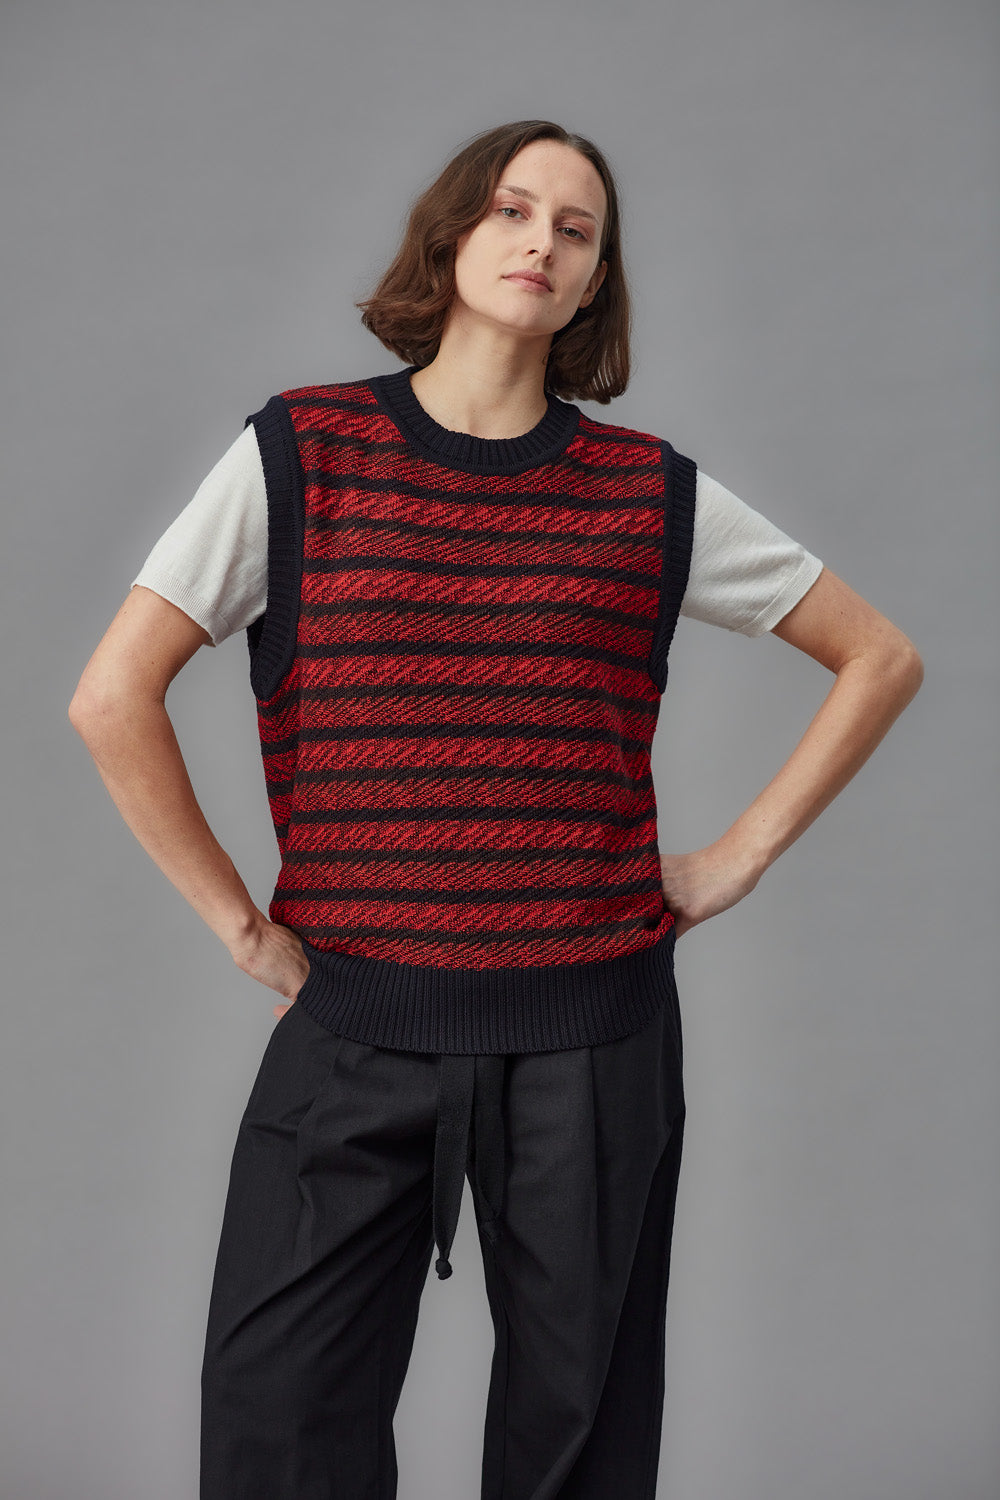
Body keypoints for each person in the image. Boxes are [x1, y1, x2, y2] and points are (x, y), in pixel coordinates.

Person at [68, 119, 923, 1500]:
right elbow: (112, 697)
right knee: (277, 1427)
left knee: (576, 1454)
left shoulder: (647, 496)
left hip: (595, 1032)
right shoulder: (303, 454)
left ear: (594, 286)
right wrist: (240, 927)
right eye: (515, 211)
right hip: (354, 1021)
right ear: (453, 236)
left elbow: (881, 656)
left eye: (575, 231)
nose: (540, 242)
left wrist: (736, 861)